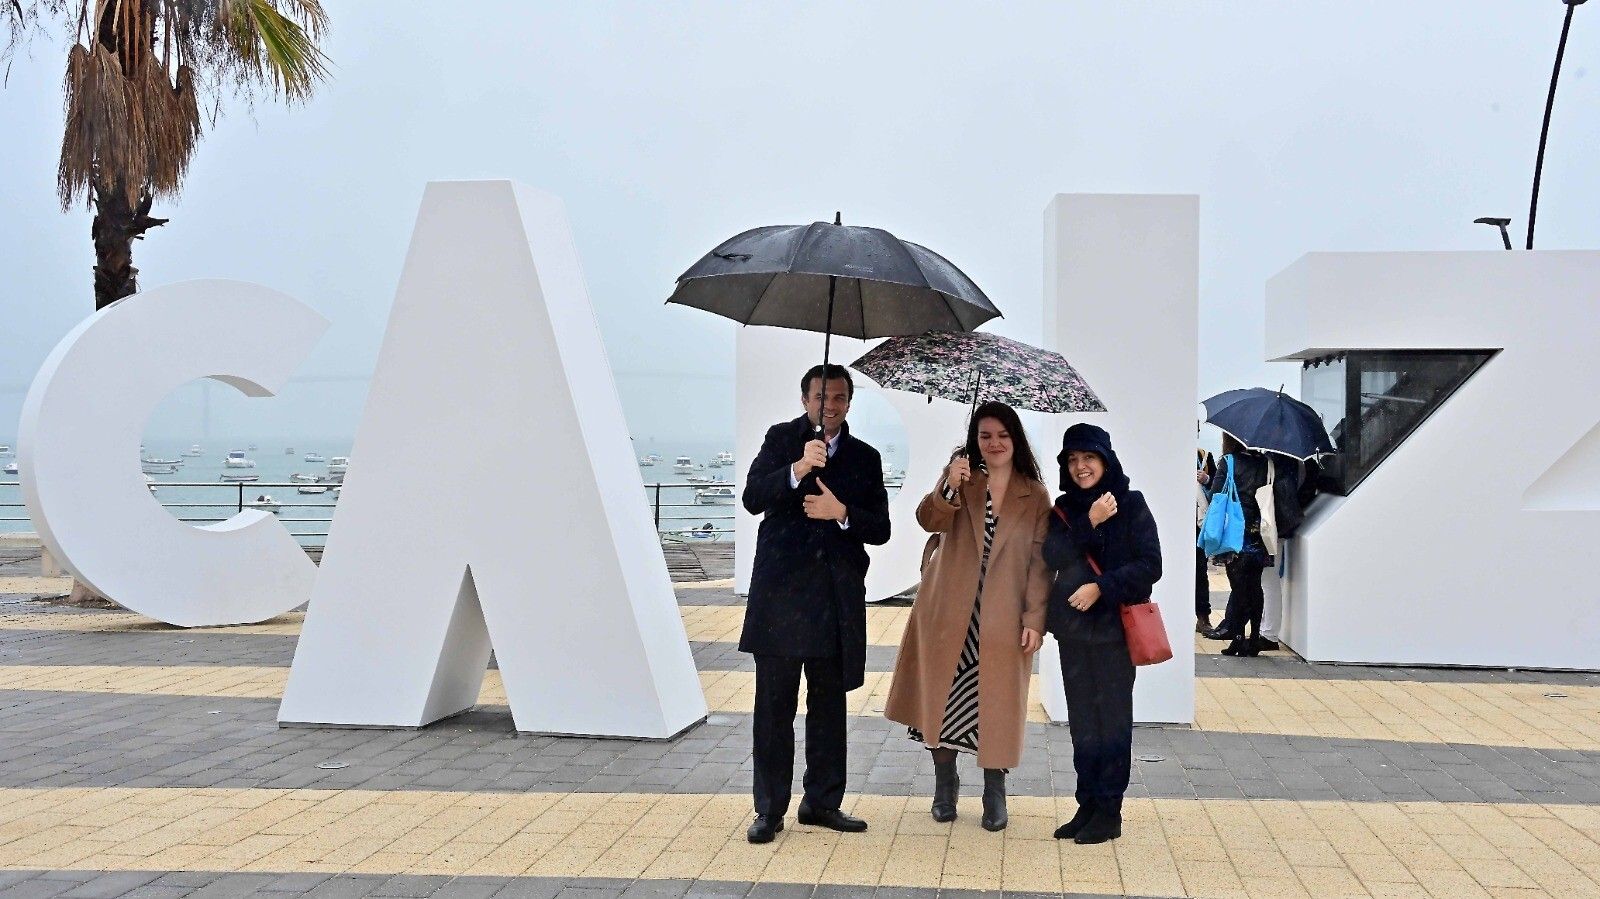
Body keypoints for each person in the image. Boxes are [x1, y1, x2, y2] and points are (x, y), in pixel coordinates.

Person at [739, 364, 891, 844]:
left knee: (829, 709)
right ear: (806, 399)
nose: (831, 405)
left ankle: (822, 802)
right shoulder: (781, 439)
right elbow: (752, 497)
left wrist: (842, 513)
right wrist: (799, 468)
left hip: (834, 600)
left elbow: (881, 528)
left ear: (849, 403)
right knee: (773, 710)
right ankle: (769, 809)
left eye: (840, 397)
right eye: (822, 396)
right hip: (781, 598)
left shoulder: (865, 457)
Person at [884, 402, 1051, 832]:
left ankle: (995, 790)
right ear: (975, 440)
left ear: (1016, 440)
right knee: (945, 698)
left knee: (994, 702)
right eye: (985, 436)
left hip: (1003, 615)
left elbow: (1039, 562)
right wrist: (948, 488)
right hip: (948, 608)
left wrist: (1035, 617)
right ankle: (945, 784)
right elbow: (927, 520)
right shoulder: (961, 477)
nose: (993, 443)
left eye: (1002, 435)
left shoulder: (1033, 493)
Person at [1043, 423, 1161, 845]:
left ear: (1105, 460)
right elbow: (1052, 555)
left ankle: (1110, 810)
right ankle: (1087, 803)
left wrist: (1101, 587)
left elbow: (1151, 566)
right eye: (1072, 460)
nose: (1080, 467)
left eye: (1088, 458)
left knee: (1111, 723)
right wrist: (1088, 522)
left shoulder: (1131, 504)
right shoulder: (1062, 509)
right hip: (1073, 634)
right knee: (1083, 723)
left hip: (1113, 635)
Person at [1200, 435, 1304, 655]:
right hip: (1259, 532)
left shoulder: (1228, 461)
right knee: (1256, 586)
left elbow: (1216, 494)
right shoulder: (1267, 463)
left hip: (1235, 533)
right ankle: (1255, 638)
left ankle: (1238, 638)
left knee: (1239, 588)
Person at [1195, 447, 1217, 634]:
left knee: (1200, 571)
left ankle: (1203, 617)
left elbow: (1218, 485)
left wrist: (1206, 479)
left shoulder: (1203, 455)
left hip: (1198, 523)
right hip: (1174, 519)